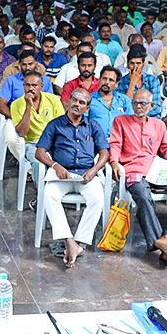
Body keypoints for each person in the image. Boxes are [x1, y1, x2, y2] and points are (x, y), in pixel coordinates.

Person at [109, 89, 167, 271]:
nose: (138, 107)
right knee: (143, 196)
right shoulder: (121, 121)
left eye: (143, 103)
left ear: (151, 106)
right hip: (133, 170)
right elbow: (115, 145)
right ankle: (165, 250)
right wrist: (113, 163)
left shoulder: (158, 124)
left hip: (155, 169)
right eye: (135, 103)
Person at [33, 88, 109, 267]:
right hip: (62, 174)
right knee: (49, 195)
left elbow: (105, 152)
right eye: (74, 100)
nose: (77, 104)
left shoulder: (93, 126)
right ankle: (69, 241)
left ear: (87, 108)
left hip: (86, 175)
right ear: (67, 102)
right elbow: (39, 152)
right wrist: (55, 165)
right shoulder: (55, 124)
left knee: (98, 198)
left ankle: (80, 241)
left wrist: (94, 169)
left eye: (82, 103)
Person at [11, 71, 65, 195]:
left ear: (41, 87)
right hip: (32, 143)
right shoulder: (16, 104)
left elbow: (61, 125)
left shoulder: (53, 100)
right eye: (27, 85)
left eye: (34, 85)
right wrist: (28, 107)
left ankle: (58, 192)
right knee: (37, 162)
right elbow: (22, 133)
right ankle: (43, 195)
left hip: (54, 141)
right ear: (23, 86)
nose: (31, 89)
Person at [0, 50, 54, 158]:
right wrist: (16, 117)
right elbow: (0, 105)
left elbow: (50, 102)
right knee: (11, 140)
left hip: (41, 117)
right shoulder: (11, 80)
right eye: (24, 64)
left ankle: (38, 166)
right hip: (15, 117)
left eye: (30, 64)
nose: (27, 67)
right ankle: (28, 167)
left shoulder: (45, 81)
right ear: (19, 65)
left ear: (36, 64)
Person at [88, 65, 132, 141]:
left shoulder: (124, 100)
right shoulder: (89, 99)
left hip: (120, 142)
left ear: (116, 84)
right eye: (104, 78)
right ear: (99, 80)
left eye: (111, 80)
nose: (107, 82)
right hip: (95, 142)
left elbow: (131, 122)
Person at [118, 45, 161, 117]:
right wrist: (132, 83)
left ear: (143, 65)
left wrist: (141, 116)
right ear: (128, 65)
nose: (135, 67)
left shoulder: (153, 80)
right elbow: (124, 106)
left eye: (138, 63)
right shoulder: (121, 82)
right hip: (130, 119)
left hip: (151, 118)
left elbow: (156, 107)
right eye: (132, 63)